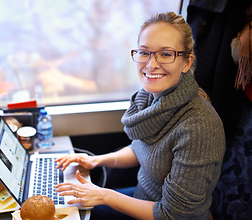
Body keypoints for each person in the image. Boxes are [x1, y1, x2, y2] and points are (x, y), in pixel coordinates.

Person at [55, 12, 226, 220]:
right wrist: (96, 161)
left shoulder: (199, 127)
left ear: (187, 62)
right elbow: (141, 149)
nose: (151, 64)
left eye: (165, 54)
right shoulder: (151, 99)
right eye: (144, 52)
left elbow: (173, 215)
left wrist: (104, 196)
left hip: (163, 215)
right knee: (66, 209)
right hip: (142, 199)